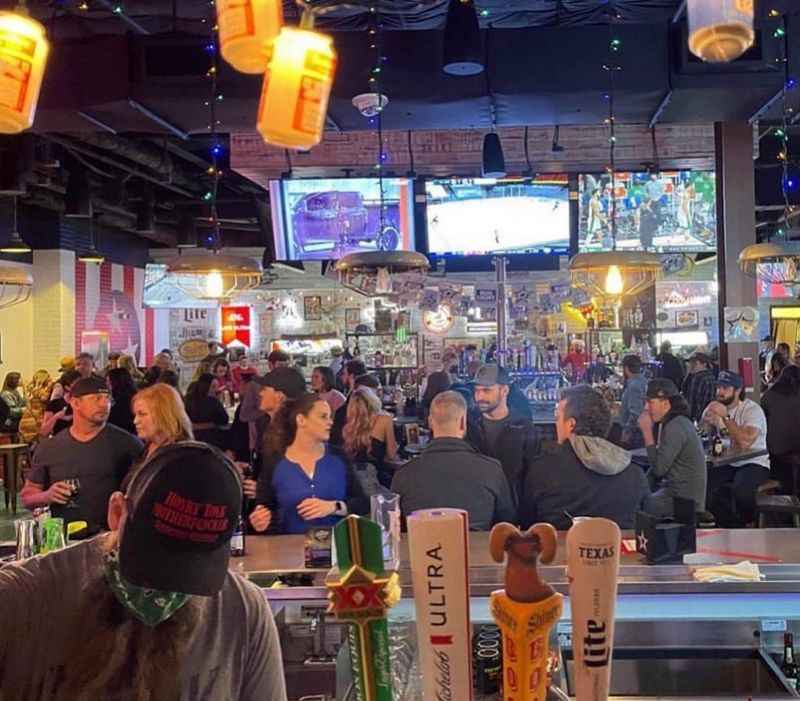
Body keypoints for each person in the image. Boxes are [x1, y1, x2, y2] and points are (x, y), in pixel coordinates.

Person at [0, 442, 287, 700]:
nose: (166, 587)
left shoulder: (244, 611)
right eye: (154, 560)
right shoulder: (20, 600)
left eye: (187, 572)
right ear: (116, 513)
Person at [21, 376, 143, 534]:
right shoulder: (50, 447)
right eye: (96, 398)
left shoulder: (128, 444)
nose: (104, 404)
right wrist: (47, 495)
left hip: (109, 539)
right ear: (75, 403)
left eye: (107, 399)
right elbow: (27, 497)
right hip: (63, 543)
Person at [519, 385, 649, 531]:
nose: (556, 424)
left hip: (561, 551)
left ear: (571, 424)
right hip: (617, 552)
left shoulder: (541, 470)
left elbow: (527, 526)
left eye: (557, 418)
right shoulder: (635, 474)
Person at [391, 391, 515, 530]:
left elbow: (396, 531)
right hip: (476, 550)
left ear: (431, 422)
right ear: (463, 422)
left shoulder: (403, 475)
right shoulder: (492, 470)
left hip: (421, 550)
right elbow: (507, 524)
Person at [249, 393, 368, 535]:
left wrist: (334, 507)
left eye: (330, 417)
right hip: (288, 551)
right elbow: (264, 507)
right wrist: (260, 520)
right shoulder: (275, 462)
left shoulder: (339, 457)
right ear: (301, 420)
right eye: (323, 417)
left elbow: (362, 503)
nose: (330, 422)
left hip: (337, 548)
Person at [702, 371, 771, 526]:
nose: (719, 392)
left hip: (755, 462)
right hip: (727, 462)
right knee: (702, 484)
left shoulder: (752, 410)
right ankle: (730, 524)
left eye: (725, 388)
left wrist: (726, 418)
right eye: (718, 387)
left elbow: (745, 442)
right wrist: (706, 420)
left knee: (742, 491)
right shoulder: (716, 407)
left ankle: (748, 524)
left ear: (738, 390)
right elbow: (701, 433)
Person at [466, 364, 540, 499]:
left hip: (515, 515)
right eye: (476, 390)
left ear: (504, 391)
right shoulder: (468, 426)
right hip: (479, 510)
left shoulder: (524, 428)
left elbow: (533, 479)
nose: (479, 396)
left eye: (486, 390)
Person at [637, 379, 707, 517]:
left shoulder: (675, 426)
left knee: (642, 504)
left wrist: (647, 433)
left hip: (684, 500)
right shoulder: (676, 422)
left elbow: (659, 470)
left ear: (666, 403)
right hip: (678, 493)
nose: (646, 407)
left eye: (650, 402)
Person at [343, 386, 398, 488]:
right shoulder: (385, 419)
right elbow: (392, 455)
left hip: (353, 482)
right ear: (373, 400)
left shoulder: (349, 426)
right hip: (377, 479)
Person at [130, 383, 194, 469]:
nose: (135, 421)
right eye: (135, 415)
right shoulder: (148, 446)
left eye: (142, 414)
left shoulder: (181, 456)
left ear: (164, 415)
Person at [761, 364, 800, 493]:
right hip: (795, 448)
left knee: (782, 473)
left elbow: (763, 425)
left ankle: (784, 499)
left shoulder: (768, 396)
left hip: (776, 451)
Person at [184, 373, 229, 450]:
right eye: (213, 387)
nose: (216, 390)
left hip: (191, 441)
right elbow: (224, 420)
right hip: (212, 442)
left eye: (217, 386)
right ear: (206, 386)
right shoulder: (213, 401)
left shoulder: (187, 399)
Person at [331, 359, 367, 446]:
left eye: (344, 374)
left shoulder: (356, 399)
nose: (341, 377)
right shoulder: (360, 395)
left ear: (351, 376)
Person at [39, 369, 82, 438]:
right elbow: (43, 432)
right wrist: (57, 416)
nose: (81, 387)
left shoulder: (84, 403)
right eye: (77, 384)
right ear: (67, 387)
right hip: (60, 443)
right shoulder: (55, 404)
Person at [618, 355, 647, 449]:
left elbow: (635, 413)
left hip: (635, 434)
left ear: (626, 368)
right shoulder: (643, 381)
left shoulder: (634, 386)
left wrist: (627, 432)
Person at [681, 352, 717, 423]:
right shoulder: (712, 376)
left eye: (695, 363)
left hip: (697, 419)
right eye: (691, 363)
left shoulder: (697, 378)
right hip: (709, 417)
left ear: (704, 364)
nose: (692, 365)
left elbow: (691, 402)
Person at [19, 369, 52, 444]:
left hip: (29, 415)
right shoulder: (39, 388)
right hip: (37, 416)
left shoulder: (30, 387)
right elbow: (44, 398)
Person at [107, 367, 137, 435]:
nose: (107, 385)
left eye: (109, 381)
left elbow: (113, 419)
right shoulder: (134, 395)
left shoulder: (121, 400)